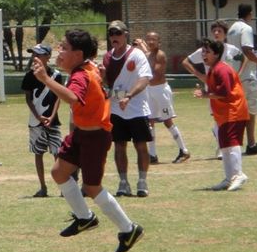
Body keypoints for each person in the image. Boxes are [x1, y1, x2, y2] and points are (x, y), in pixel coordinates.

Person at [31, 29, 144, 252]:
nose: (59, 51)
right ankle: (85, 218)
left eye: (64, 47)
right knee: (59, 172)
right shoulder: (87, 67)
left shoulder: (81, 75)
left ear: (78, 53)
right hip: (83, 134)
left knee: (92, 187)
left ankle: (129, 229)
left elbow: (72, 97)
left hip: (95, 137)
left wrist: (44, 79)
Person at [101, 21, 153, 198]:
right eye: (111, 33)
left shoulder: (137, 54)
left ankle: (142, 181)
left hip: (137, 108)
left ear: (125, 34)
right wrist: (103, 79)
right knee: (119, 146)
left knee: (140, 145)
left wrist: (128, 96)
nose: (114, 37)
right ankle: (123, 182)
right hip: (116, 109)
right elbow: (107, 85)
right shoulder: (107, 57)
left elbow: (145, 79)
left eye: (117, 33)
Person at [194, 40, 250, 191]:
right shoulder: (213, 69)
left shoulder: (221, 69)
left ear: (216, 54)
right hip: (224, 113)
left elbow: (224, 93)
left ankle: (239, 175)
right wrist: (206, 95)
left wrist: (205, 95)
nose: (203, 54)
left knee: (232, 143)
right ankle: (229, 177)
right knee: (224, 145)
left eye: (207, 52)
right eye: (203, 51)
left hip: (234, 110)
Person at [183, 21, 243, 156]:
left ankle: (226, 145)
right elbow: (186, 62)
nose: (216, 33)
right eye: (214, 31)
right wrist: (201, 76)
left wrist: (237, 75)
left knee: (229, 117)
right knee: (217, 117)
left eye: (219, 31)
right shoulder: (205, 49)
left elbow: (242, 58)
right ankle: (221, 147)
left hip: (228, 89)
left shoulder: (231, 49)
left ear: (225, 34)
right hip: (212, 89)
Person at [138, 32, 190, 163]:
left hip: (160, 91)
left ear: (159, 42)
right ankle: (152, 154)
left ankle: (183, 150)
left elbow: (155, 73)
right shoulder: (147, 55)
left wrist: (144, 52)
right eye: (148, 39)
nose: (151, 42)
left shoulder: (160, 55)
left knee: (168, 121)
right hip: (149, 90)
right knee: (150, 121)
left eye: (154, 40)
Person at [20, 43, 64, 198]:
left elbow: (59, 96)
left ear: (48, 56)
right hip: (35, 120)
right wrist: (38, 116)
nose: (35, 57)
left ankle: (63, 187)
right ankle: (43, 187)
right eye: (34, 54)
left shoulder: (56, 75)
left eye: (39, 54)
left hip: (53, 120)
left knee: (57, 153)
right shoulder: (29, 75)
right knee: (38, 153)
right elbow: (28, 98)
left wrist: (52, 116)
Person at [227, 4, 257, 155]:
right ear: (250, 14)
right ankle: (251, 144)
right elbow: (247, 49)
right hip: (247, 76)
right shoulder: (246, 28)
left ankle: (235, 142)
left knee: (237, 111)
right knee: (251, 111)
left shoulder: (232, 28)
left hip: (234, 73)